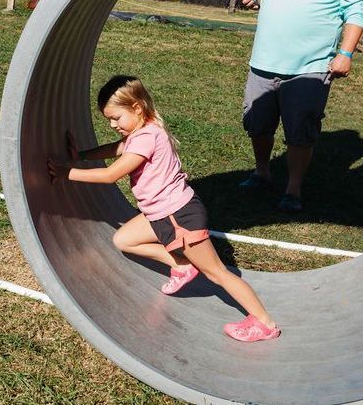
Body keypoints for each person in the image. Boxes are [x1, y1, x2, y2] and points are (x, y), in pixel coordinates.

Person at [47, 75, 281, 343]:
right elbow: (116, 149)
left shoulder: (146, 137)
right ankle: (181, 265)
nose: (113, 125)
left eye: (116, 118)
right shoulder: (142, 130)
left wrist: (67, 172)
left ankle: (264, 323)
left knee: (216, 272)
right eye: (108, 120)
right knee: (124, 239)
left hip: (178, 217)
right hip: (160, 213)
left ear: (136, 107)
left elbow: (111, 174)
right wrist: (82, 155)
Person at [236, 0, 363, 213]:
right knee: (257, 125)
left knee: (300, 131)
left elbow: (356, 12)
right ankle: (262, 173)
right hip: (264, 62)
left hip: (310, 66)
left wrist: (344, 54)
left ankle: (293, 190)